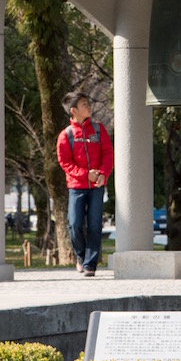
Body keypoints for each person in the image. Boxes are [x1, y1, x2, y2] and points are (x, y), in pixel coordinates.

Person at [56, 91, 113, 277]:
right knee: (74, 224)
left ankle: (90, 265)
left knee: (95, 226)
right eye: (83, 104)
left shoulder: (98, 129)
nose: (88, 106)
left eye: (87, 102)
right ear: (73, 110)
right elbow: (65, 163)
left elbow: (108, 154)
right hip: (76, 187)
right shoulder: (66, 135)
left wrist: (102, 174)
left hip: (97, 186)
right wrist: (85, 175)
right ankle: (81, 257)